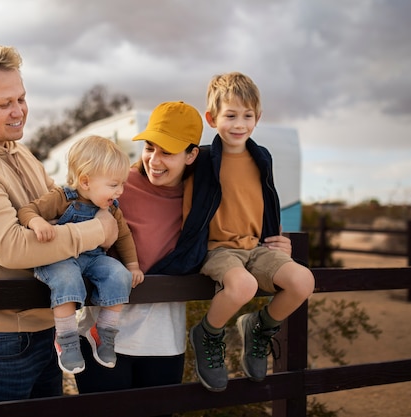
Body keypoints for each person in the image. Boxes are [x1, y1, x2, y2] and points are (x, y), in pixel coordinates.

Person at [0, 45, 118, 405]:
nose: (19, 111)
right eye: (4, 104)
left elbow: (58, 210)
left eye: (21, 98)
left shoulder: (18, 150)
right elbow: (13, 246)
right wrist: (98, 231)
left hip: (43, 327)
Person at [74, 101, 294, 402]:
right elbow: (71, 214)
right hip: (101, 335)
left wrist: (275, 242)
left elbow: (235, 237)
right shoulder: (118, 184)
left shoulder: (204, 197)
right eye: (150, 147)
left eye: (168, 152)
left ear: (192, 155)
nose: (154, 160)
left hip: (165, 341)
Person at [187, 72, 315, 392]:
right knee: (242, 286)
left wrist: (278, 236)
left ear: (257, 118)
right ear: (212, 118)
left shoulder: (262, 157)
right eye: (230, 115)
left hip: (256, 247)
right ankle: (208, 333)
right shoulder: (201, 158)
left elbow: (267, 199)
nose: (239, 124)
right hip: (218, 249)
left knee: (303, 281)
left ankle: (259, 327)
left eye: (247, 116)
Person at [17, 135, 141, 375]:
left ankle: (103, 331)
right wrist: (36, 222)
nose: (121, 191)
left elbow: (124, 236)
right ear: (85, 181)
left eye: (122, 184)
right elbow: (27, 210)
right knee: (66, 278)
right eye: (114, 185)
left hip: (94, 258)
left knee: (119, 275)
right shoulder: (62, 198)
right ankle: (66, 338)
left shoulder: (111, 207)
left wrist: (133, 265)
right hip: (61, 258)